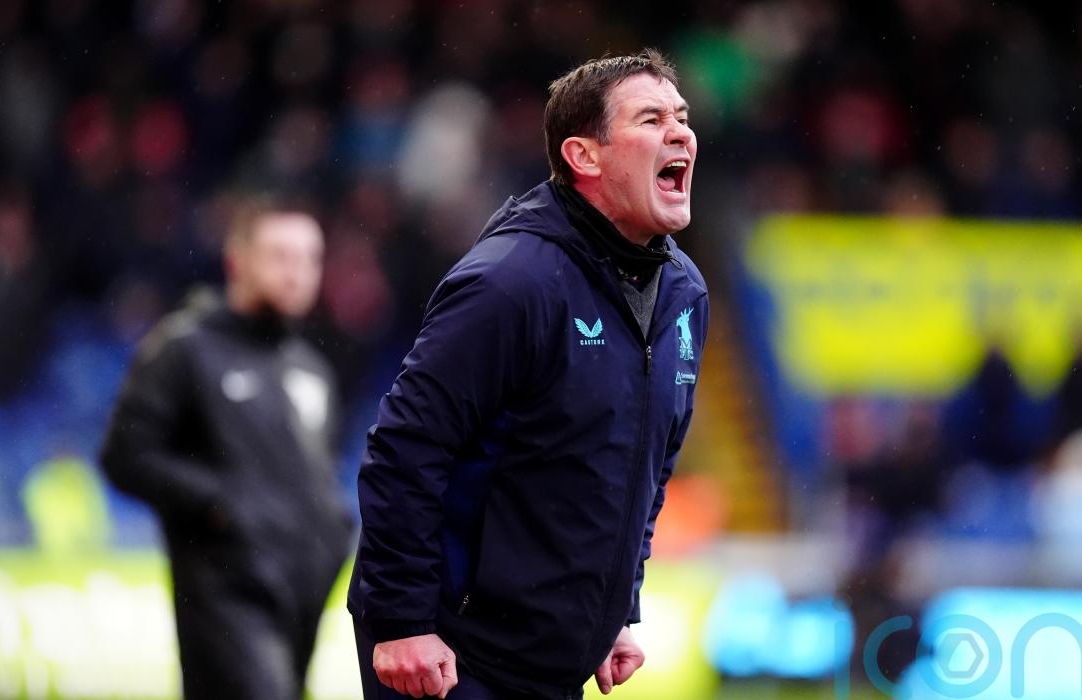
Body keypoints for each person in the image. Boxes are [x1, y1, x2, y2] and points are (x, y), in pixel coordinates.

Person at [349, 49, 708, 700]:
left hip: (555, 658)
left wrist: (615, 607)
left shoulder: (684, 293)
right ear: (584, 156)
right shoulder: (511, 282)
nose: (680, 133)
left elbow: (644, 467)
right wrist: (401, 621)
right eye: (651, 119)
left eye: (681, 117)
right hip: (452, 654)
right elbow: (405, 451)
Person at [100, 199, 353, 700]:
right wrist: (218, 503)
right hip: (224, 592)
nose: (296, 273)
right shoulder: (185, 349)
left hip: (302, 594)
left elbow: (317, 474)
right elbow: (124, 455)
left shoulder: (311, 368)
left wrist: (332, 528)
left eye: (310, 258)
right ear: (237, 260)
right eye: (280, 256)